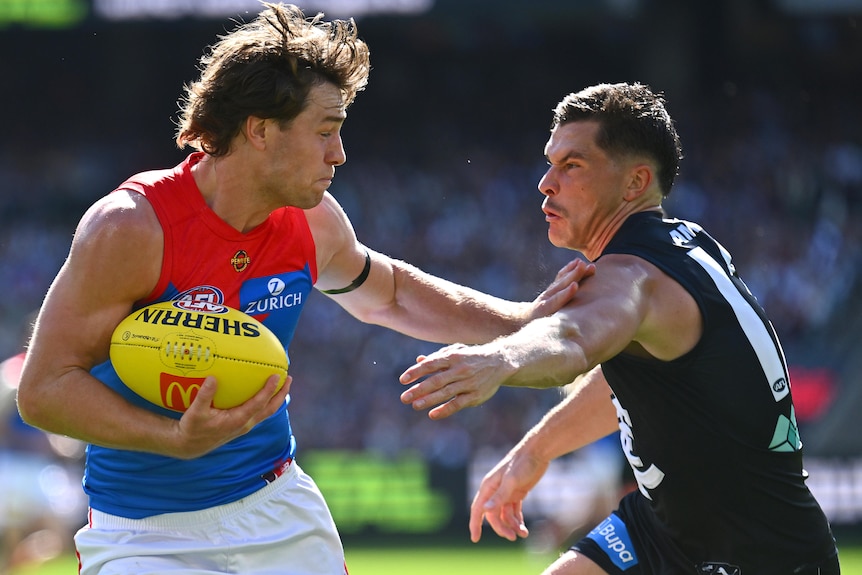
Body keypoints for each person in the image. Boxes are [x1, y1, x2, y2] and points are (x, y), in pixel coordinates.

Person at [15, 4, 594, 574]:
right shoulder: (132, 227)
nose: (338, 154)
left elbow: (390, 293)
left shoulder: (310, 220)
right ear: (260, 130)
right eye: (325, 132)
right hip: (145, 535)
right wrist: (171, 438)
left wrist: (521, 321)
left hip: (277, 510)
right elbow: (43, 390)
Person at [399, 82, 840, 575]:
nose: (546, 182)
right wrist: (535, 451)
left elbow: (573, 339)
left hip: (761, 554)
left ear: (634, 184)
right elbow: (621, 376)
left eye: (573, 166)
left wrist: (499, 360)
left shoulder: (633, 274)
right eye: (550, 162)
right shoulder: (687, 244)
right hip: (664, 529)